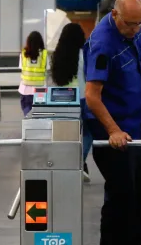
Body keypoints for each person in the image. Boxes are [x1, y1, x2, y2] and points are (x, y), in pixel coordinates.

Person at [83, 0, 141, 244]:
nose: (135, 30)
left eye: (140, 23)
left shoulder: (135, 29)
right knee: (121, 203)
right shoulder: (103, 44)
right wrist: (113, 130)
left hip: (135, 130)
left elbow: (140, 60)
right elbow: (92, 96)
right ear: (115, 14)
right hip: (114, 134)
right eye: (130, 24)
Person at [49, 22, 92, 182]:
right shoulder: (83, 54)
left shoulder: (57, 55)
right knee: (87, 132)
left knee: (65, 135)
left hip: (60, 99)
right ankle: (79, 162)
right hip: (80, 98)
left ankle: (65, 164)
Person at [18, 31, 46, 116]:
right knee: (39, 114)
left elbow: (21, 68)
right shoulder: (44, 54)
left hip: (26, 89)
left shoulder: (23, 54)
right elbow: (47, 69)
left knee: (27, 113)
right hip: (40, 89)